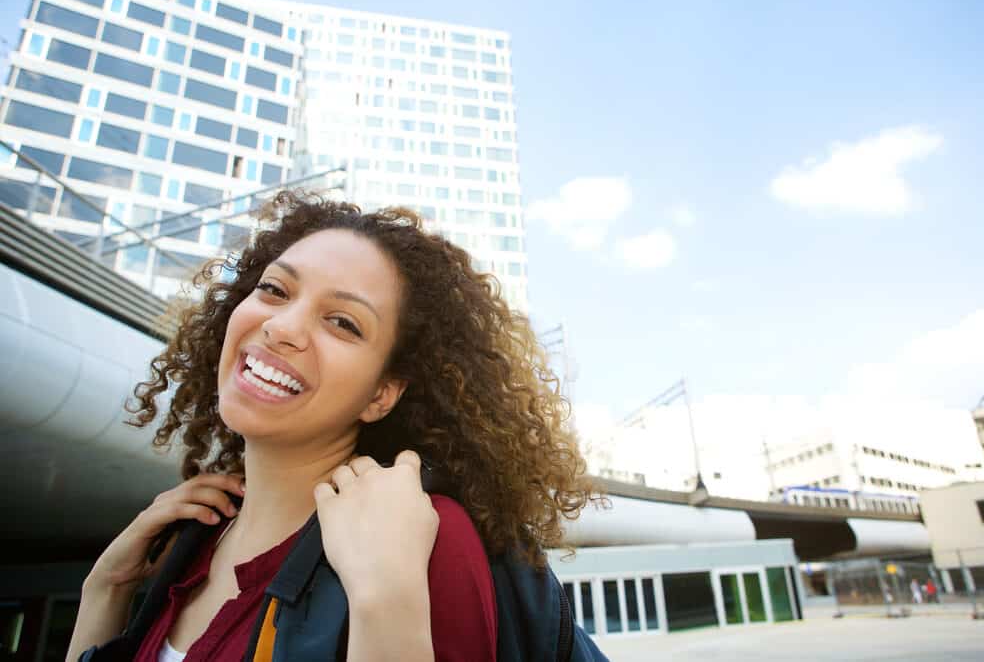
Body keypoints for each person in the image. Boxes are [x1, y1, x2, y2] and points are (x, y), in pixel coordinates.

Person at [66, 193, 598, 661]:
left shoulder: (426, 538)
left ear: (381, 394)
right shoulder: (191, 545)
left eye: (342, 323)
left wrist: (387, 603)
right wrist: (106, 589)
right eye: (274, 290)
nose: (282, 327)